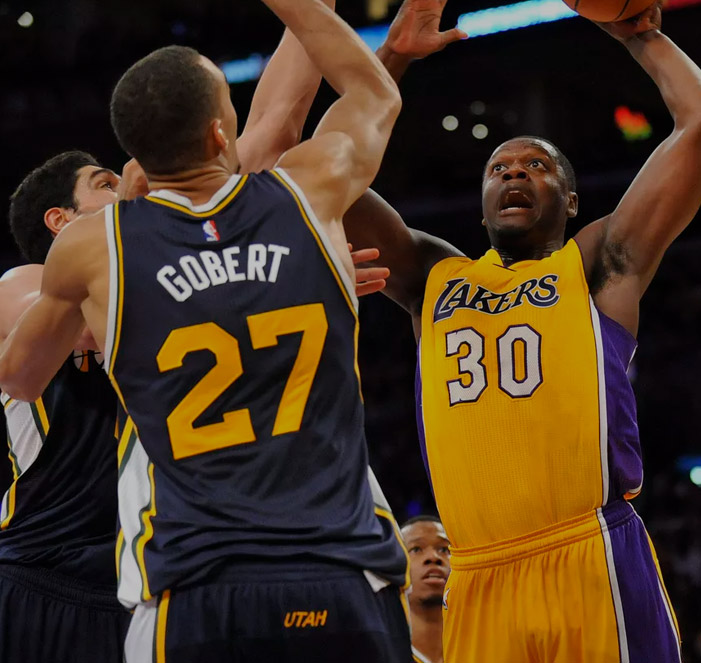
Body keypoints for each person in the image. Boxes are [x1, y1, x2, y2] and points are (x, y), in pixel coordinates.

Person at [0, 0, 411, 661]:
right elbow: (371, 94)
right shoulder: (303, 196)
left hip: (192, 583)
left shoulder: (96, 251)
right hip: (333, 568)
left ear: (137, 160)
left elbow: (18, 374)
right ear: (220, 134)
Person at [343, 3, 701, 661]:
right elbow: (324, 176)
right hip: (477, 573)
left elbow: (698, 127)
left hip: (589, 551)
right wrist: (389, 59)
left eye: (536, 165)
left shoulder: (597, 262)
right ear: (481, 207)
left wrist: (640, 34)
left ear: (571, 199)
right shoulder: (432, 276)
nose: (513, 172)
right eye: (498, 168)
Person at [401, 515, 450, 663]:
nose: (433, 557)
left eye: (444, 549)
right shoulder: (378, 651)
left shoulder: (484, 646)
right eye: (416, 549)